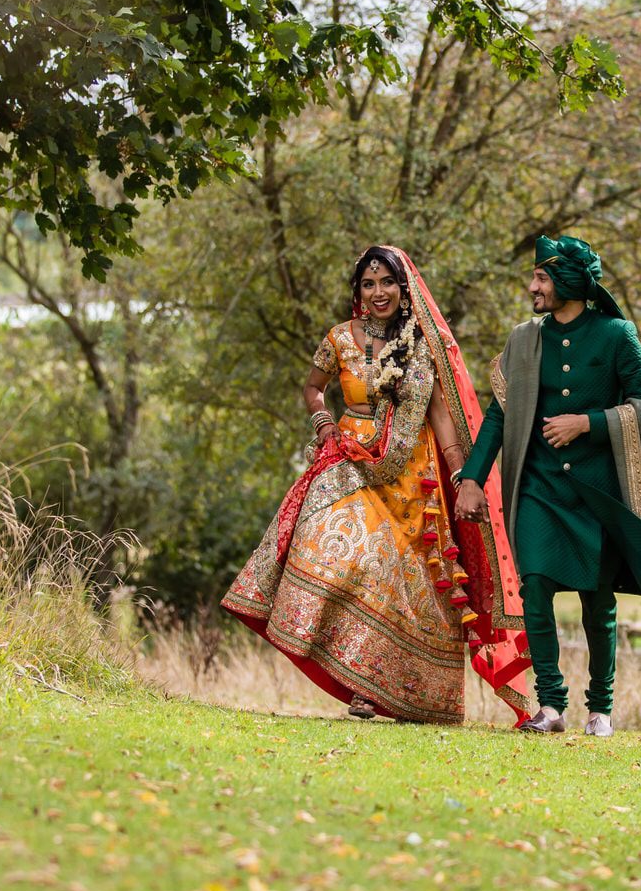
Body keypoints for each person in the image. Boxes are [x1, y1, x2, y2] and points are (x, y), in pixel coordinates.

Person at [223, 246, 534, 724]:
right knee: (338, 550)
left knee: (397, 578)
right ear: (358, 292)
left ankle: (376, 693)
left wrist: (460, 474)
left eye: (386, 283)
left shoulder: (420, 343)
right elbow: (312, 387)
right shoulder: (339, 339)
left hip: (411, 476)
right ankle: (347, 670)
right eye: (368, 285)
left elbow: (441, 419)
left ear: (403, 288)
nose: (378, 293)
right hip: (348, 459)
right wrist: (324, 425)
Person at [454, 235, 641, 737]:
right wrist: (471, 477)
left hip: (599, 490)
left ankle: (601, 709)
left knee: (598, 602)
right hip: (539, 485)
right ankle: (550, 705)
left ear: (569, 283)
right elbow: (498, 416)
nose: (532, 287)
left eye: (541, 278)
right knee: (535, 584)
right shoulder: (524, 339)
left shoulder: (618, 335)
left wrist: (588, 423)